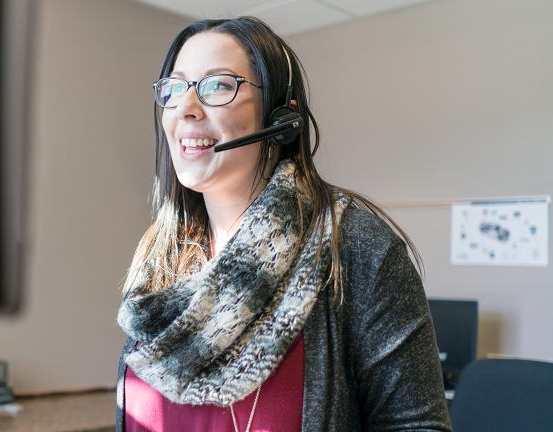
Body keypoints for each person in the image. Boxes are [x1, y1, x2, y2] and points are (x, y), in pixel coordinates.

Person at [116, 16, 452, 432]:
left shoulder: (355, 246)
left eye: (217, 85)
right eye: (174, 88)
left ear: (281, 117)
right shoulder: (158, 257)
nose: (185, 109)